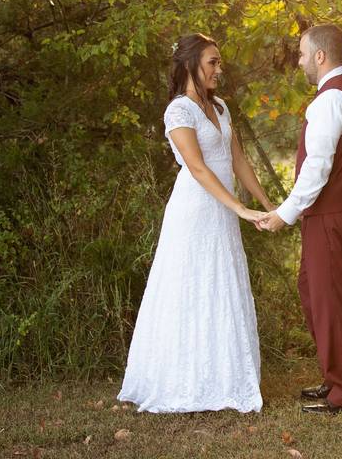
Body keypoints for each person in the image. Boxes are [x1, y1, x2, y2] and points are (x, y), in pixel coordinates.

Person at [118, 33, 274, 413]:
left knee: (222, 285)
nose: (220, 69)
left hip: (224, 212)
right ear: (190, 65)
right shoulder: (178, 112)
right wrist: (240, 208)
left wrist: (268, 207)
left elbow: (238, 161)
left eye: (219, 62)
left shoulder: (220, 107)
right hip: (195, 213)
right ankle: (182, 380)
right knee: (190, 288)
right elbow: (199, 168)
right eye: (212, 62)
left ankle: (225, 377)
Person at [259, 23, 342, 414]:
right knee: (315, 290)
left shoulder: (330, 99)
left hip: (332, 213)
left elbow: (317, 168)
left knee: (332, 299)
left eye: (303, 53)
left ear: (321, 56)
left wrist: (284, 214)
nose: (300, 60)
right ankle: (335, 375)